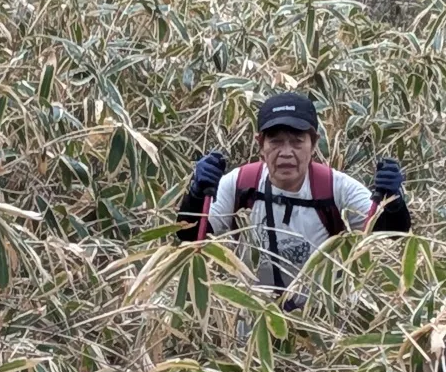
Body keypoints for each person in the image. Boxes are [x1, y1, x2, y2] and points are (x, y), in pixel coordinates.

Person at [175, 90, 410, 297]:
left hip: (319, 326)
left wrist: (393, 201)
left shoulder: (336, 188)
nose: (286, 153)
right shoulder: (240, 183)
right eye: (276, 142)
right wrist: (196, 193)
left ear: (314, 143)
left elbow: (390, 239)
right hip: (250, 324)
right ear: (260, 144)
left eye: (297, 142)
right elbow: (192, 237)